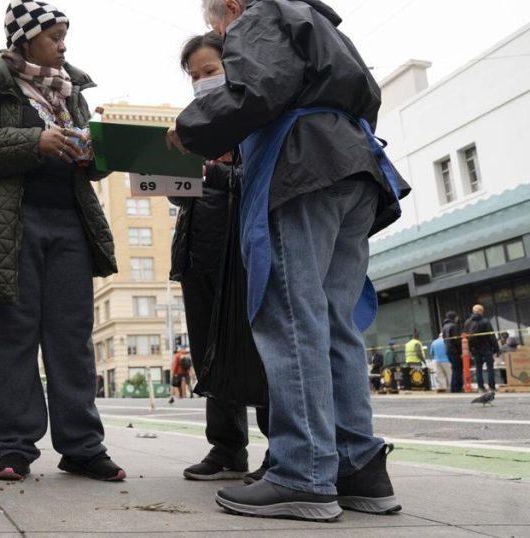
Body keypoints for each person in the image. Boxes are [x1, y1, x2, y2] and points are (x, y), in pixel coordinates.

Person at [175, 0, 410, 520]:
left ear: (231, 7)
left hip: (299, 168)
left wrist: (189, 128)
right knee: (335, 323)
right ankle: (358, 467)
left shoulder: (260, 17)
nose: (221, 35)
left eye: (218, 29)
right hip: (353, 166)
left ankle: (302, 473)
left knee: (292, 320)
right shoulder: (319, 24)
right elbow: (365, 97)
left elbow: (256, 90)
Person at [0, 0, 125, 482]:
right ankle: (15, 448)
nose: (63, 45)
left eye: (65, 36)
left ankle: (83, 446)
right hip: (8, 228)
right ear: (24, 40)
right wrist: (32, 142)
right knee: (10, 338)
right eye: (54, 36)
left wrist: (97, 149)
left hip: (69, 225)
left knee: (72, 339)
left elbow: (91, 164)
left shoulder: (73, 93)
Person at [167, 32, 270, 484]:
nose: (201, 83)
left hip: (244, 249)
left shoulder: (255, 115)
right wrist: (171, 176)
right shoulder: (191, 123)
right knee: (210, 351)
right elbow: (183, 193)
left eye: (209, 72)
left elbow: (260, 174)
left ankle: (281, 449)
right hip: (198, 249)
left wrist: (214, 171)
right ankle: (226, 449)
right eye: (194, 77)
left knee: (261, 348)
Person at [465, 304, 500, 392]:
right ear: (481, 311)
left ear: (473, 311)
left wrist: (469, 349)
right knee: (490, 368)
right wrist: (497, 349)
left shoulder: (467, 322)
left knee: (478, 368)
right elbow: (491, 336)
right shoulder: (485, 321)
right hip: (486, 348)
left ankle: (480, 387)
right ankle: (492, 387)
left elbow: (466, 337)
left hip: (474, 349)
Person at [441, 311, 464, 392]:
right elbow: (457, 340)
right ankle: (457, 387)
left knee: (454, 368)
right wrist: (461, 351)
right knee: (458, 369)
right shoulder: (454, 326)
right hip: (455, 351)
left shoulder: (444, 327)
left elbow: (444, 339)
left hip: (449, 350)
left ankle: (454, 387)